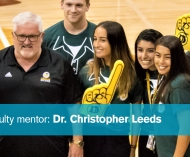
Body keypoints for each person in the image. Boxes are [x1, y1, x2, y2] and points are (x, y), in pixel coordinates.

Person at [0, 12, 83, 157]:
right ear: (13, 35)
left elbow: (74, 105)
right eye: (21, 36)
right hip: (9, 150)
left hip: (53, 150)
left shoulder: (58, 63)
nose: (27, 42)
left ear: (41, 36)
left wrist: (77, 142)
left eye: (32, 36)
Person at [78, 21, 143, 157]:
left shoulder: (132, 74)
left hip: (118, 142)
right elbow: (76, 111)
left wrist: (132, 148)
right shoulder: (86, 72)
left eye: (102, 40)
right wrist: (76, 142)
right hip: (90, 139)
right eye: (95, 39)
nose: (96, 44)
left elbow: (136, 116)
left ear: (115, 43)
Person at [153, 35, 190, 157]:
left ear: (177, 58)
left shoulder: (179, 85)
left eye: (167, 57)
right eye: (158, 55)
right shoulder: (167, 77)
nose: (161, 61)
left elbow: (186, 128)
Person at [42, 0, 96, 75]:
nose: (73, 10)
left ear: (87, 6)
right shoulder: (47, 36)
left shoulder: (99, 36)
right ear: (62, 5)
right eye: (69, 4)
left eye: (79, 5)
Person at [134, 29, 163, 157]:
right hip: (146, 135)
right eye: (140, 50)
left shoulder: (172, 77)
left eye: (150, 51)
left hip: (168, 136)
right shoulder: (138, 76)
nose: (144, 56)